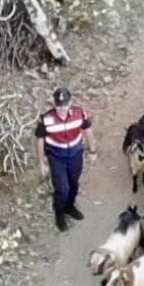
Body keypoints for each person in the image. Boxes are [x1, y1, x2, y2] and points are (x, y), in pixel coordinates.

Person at [34, 87, 98, 232]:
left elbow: (88, 132)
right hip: (56, 157)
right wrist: (41, 162)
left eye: (65, 104)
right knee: (62, 189)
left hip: (75, 155)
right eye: (59, 105)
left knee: (73, 184)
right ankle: (59, 212)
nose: (62, 108)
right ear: (54, 104)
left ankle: (69, 206)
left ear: (70, 102)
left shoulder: (79, 113)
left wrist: (93, 151)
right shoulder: (46, 119)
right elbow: (39, 139)